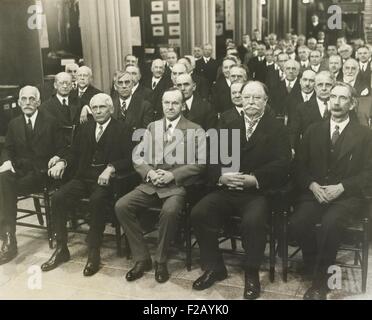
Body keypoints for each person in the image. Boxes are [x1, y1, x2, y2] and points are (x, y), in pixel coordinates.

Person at [191, 81, 291, 300]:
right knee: (199, 213)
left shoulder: (277, 128)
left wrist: (254, 179)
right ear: (240, 99)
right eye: (247, 97)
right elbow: (212, 158)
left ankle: (251, 272)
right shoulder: (228, 124)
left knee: (253, 222)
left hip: (257, 192)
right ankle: (215, 267)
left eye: (256, 98)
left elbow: (283, 164)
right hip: (227, 188)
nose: (251, 102)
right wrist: (221, 176)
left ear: (266, 101)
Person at [290, 82, 372, 300]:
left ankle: (320, 283)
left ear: (352, 103)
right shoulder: (313, 130)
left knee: (330, 224)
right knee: (298, 223)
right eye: (332, 97)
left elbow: (369, 172)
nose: (336, 102)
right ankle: (314, 263)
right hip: (316, 192)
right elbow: (299, 165)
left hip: (347, 196)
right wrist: (312, 185)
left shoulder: (364, 134)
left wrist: (343, 187)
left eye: (343, 98)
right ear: (327, 101)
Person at [115, 87, 206, 283]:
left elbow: (200, 163)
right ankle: (142, 258)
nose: (170, 106)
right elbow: (137, 156)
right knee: (122, 206)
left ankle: (161, 260)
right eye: (167, 102)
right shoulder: (152, 127)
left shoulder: (195, 129)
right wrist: (149, 173)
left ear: (182, 105)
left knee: (170, 211)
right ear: (162, 104)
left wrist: (171, 175)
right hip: (152, 183)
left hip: (176, 186)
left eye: (175, 103)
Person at [41, 93, 132, 276]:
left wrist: (111, 168)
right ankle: (61, 249)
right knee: (58, 197)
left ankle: (93, 251)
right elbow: (73, 152)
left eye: (102, 107)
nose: (98, 111)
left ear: (111, 109)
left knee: (97, 200)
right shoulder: (85, 128)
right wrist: (62, 162)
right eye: (95, 108)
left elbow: (130, 158)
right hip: (83, 178)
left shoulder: (122, 128)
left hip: (107, 181)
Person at [0, 86, 65, 265]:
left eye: (31, 99)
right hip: (21, 171)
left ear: (38, 101)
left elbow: (62, 147)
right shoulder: (14, 124)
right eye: (24, 99)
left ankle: (7, 237)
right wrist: (6, 162)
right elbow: (8, 149)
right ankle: (8, 237)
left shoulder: (51, 121)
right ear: (19, 102)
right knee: (3, 178)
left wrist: (58, 157)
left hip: (42, 173)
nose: (27, 103)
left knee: (5, 189)